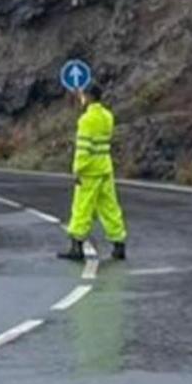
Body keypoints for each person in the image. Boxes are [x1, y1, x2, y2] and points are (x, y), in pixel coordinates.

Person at [57, 83, 127, 261]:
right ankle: (119, 244)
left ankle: (76, 247)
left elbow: (83, 148)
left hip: (89, 171)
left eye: (83, 96)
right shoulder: (108, 117)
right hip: (105, 168)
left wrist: (77, 170)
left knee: (82, 208)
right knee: (110, 207)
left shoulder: (86, 120)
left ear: (88, 97)